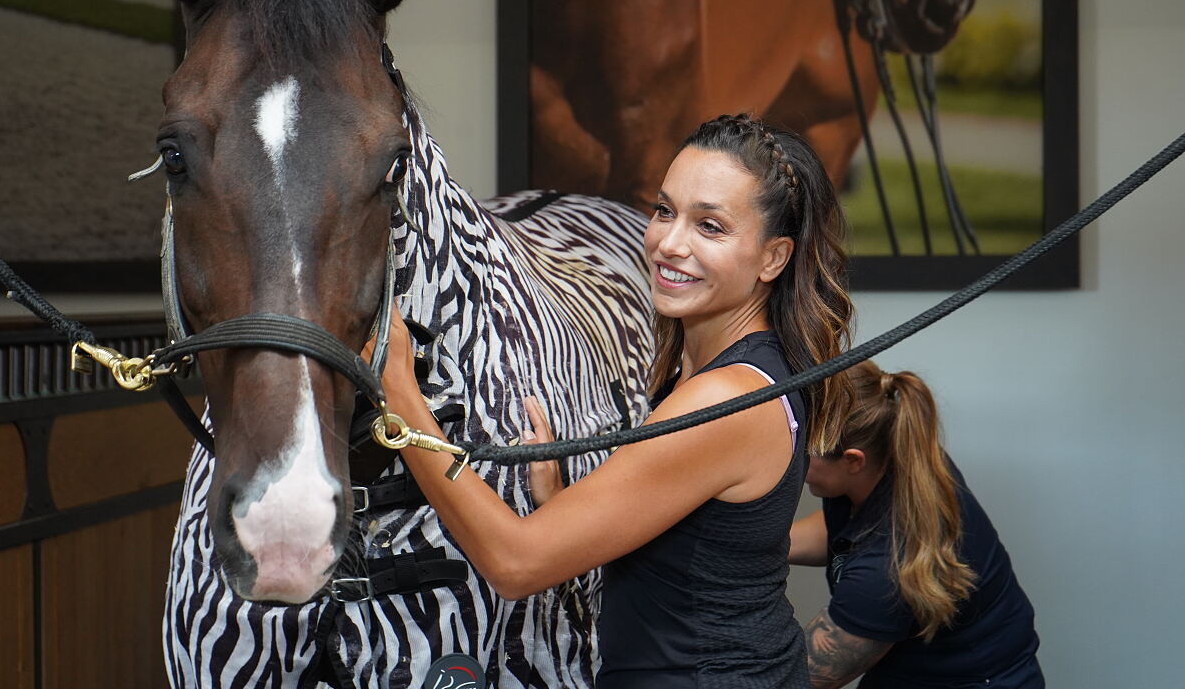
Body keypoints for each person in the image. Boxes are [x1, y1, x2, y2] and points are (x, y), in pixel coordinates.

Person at [374, 113, 854, 687]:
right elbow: (683, 555)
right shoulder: (732, 369)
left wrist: (402, 397)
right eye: (665, 210)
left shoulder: (729, 398)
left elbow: (515, 564)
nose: (669, 243)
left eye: (711, 227)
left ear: (773, 258)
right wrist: (562, 502)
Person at [790, 360, 1044, 689]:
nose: (791, 462)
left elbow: (796, 679)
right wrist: (746, 548)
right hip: (920, 666)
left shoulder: (884, 572)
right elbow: (846, 531)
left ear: (853, 460)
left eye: (802, 454)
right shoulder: (900, 453)